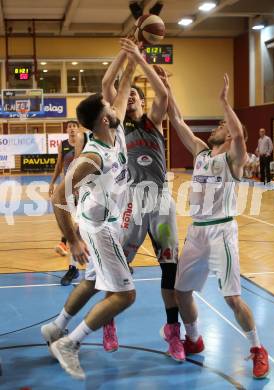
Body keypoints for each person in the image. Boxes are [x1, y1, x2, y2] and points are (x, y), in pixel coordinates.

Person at [157, 68, 269, 378]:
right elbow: (177, 120)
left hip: (222, 230)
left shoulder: (234, 158)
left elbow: (240, 135)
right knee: (181, 292)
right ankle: (194, 339)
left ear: (231, 134)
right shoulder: (201, 153)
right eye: (221, 123)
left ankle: (258, 349)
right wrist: (166, 88)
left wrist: (224, 102)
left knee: (232, 298)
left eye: (224, 124)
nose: (219, 126)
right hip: (197, 231)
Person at [41, 42, 136, 380]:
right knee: (125, 295)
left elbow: (123, 85)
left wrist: (132, 53)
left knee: (94, 282)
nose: (114, 103)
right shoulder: (93, 156)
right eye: (108, 105)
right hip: (100, 229)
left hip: (103, 223)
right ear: (103, 118)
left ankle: (56, 327)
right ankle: (69, 343)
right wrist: (72, 239)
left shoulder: (117, 128)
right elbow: (57, 198)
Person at [97, 38, 183, 360]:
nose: (130, 95)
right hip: (131, 202)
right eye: (128, 93)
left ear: (143, 102)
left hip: (159, 200)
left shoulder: (153, 122)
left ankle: (173, 333)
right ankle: (109, 323)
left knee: (170, 268)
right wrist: (126, 56)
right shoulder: (117, 127)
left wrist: (141, 60)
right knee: (121, 267)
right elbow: (108, 83)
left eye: (135, 94)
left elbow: (163, 94)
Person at [49, 120, 81, 286]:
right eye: (69, 126)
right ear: (67, 129)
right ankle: (72, 267)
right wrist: (52, 182)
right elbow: (59, 165)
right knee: (73, 227)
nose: (72, 128)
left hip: (84, 190)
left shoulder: (85, 143)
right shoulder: (63, 145)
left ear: (78, 129)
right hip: (67, 189)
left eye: (74, 126)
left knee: (87, 229)